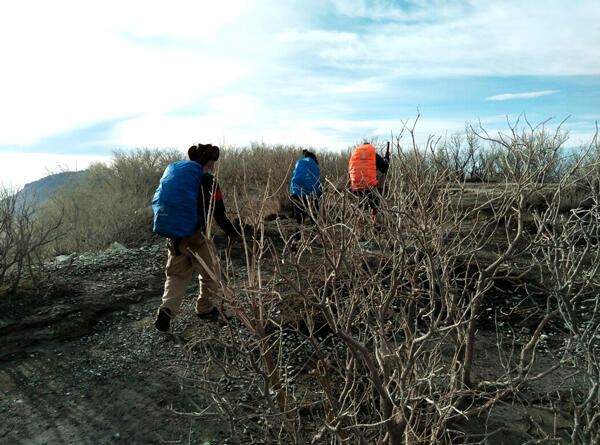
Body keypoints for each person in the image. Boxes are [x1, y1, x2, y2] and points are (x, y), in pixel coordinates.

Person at [154, 144, 238, 332]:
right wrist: (233, 232)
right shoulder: (209, 182)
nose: (213, 167)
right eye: (212, 163)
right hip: (197, 235)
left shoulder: (178, 177)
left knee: (176, 274)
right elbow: (220, 214)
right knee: (210, 273)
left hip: (175, 235)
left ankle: (166, 310)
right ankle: (204, 308)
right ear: (209, 162)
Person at [289, 149, 321, 249]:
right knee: (314, 219)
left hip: (297, 194)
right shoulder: (314, 165)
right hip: (312, 195)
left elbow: (294, 180)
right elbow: (318, 183)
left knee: (299, 220)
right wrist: (319, 195)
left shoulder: (299, 163)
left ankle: (295, 240)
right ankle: (312, 240)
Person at [348, 141, 390, 217]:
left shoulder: (354, 156)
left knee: (360, 208)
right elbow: (385, 168)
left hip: (356, 187)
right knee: (375, 204)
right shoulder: (373, 154)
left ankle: (359, 226)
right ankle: (373, 222)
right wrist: (386, 158)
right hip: (369, 186)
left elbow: (350, 173)